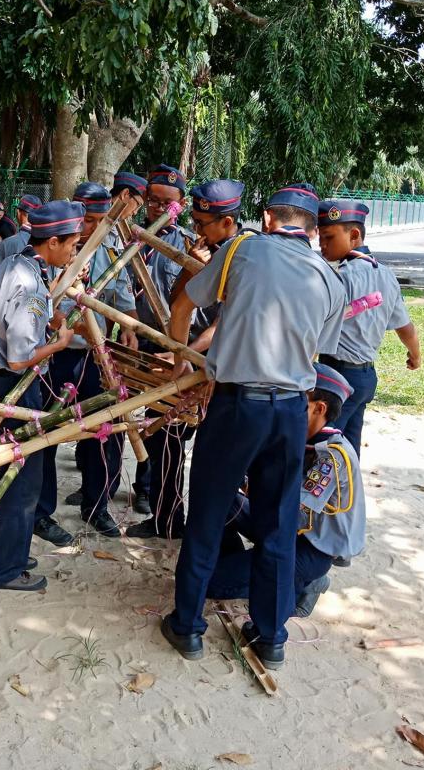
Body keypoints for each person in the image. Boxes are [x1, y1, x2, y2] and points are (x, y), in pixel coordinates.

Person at [159, 182, 346, 670]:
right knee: (278, 525)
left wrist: (181, 364)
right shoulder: (331, 278)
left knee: (206, 514)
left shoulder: (242, 248)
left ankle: (187, 627)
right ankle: (271, 636)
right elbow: (314, 351)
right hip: (289, 412)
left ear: (266, 218)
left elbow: (184, 304)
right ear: (312, 230)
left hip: (236, 406)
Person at [0, 201, 84, 591]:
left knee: (7, 470)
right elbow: (20, 358)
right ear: (52, 241)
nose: (75, 250)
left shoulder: (19, 262)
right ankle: (5, 570)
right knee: (21, 477)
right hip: (12, 385)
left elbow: (31, 313)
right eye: (72, 244)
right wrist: (59, 343)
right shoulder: (31, 282)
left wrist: (54, 318)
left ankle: (0, 554)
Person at [125, 178, 246, 539]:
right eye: (193, 221)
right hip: (180, 355)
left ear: (227, 222)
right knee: (165, 441)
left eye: (202, 223)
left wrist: (192, 355)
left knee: (218, 453)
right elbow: (179, 301)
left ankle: (217, 530)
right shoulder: (197, 247)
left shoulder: (246, 256)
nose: (195, 229)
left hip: (218, 365)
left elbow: (230, 322)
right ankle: (166, 520)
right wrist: (190, 265)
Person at [206, 363, 366, 620]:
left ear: (319, 408)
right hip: (284, 529)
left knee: (212, 583)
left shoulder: (332, 457)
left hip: (310, 547)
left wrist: (256, 484)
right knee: (223, 500)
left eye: (295, 400)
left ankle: (302, 584)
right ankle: (244, 563)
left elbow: (295, 513)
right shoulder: (299, 438)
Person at [33, 182, 138, 541]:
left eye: (98, 220)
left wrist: (128, 326)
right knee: (44, 430)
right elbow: (40, 305)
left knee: (100, 430)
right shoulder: (51, 248)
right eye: (87, 220)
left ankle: (96, 505)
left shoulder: (111, 248)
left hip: (96, 355)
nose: (91, 228)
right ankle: (41, 511)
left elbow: (122, 293)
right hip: (55, 355)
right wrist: (62, 322)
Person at [317, 199, 421, 456]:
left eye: (328, 237)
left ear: (354, 235)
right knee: (348, 450)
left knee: (321, 448)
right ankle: (349, 495)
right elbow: (405, 327)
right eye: (320, 237)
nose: (322, 245)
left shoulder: (340, 277)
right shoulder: (386, 275)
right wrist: (415, 355)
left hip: (337, 375)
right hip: (365, 379)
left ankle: (322, 496)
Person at [129, 164, 191, 522]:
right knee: (118, 414)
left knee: (162, 426)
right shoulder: (128, 240)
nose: (158, 208)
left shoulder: (185, 247)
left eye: (167, 202)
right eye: (153, 201)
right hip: (129, 341)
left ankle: (148, 491)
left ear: (180, 204)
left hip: (168, 347)